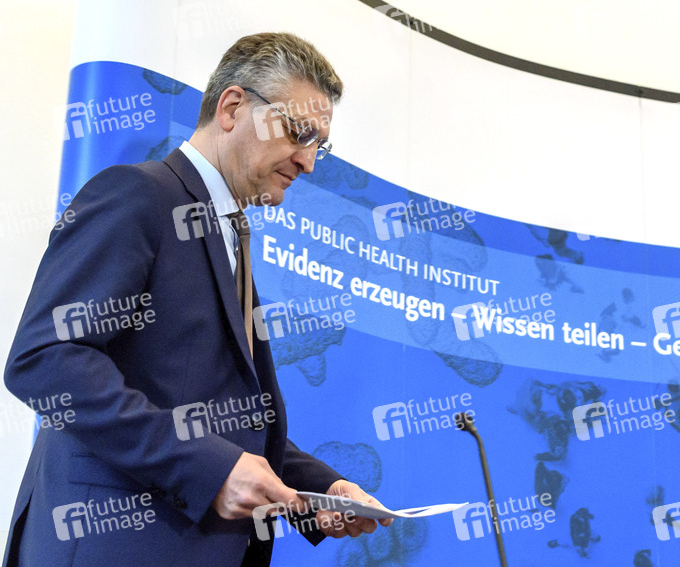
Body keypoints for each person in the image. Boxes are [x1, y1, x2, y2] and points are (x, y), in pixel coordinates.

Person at [2, 32, 391, 567]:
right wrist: (207, 469)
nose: (308, 162)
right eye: (299, 133)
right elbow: (45, 359)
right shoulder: (137, 195)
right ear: (232, 108)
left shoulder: (232, 233)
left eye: (318, 146)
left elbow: (227, 423)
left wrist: (320, 492)